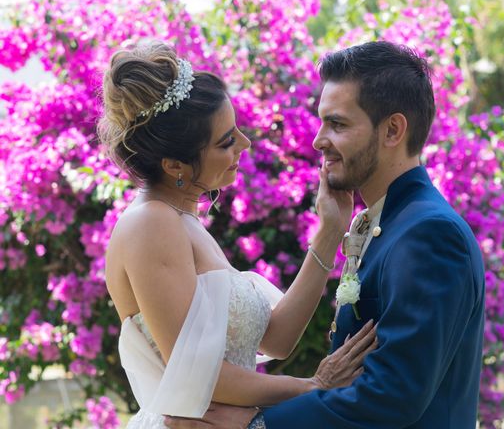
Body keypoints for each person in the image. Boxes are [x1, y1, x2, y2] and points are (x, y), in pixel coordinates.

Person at [166, 41, 486, 429]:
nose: (319, 140)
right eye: (322, 122)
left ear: (393, 130)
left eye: (337, 124)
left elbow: (393, 395)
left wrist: (256, 426)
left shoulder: (429, 234)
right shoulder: (387, 221)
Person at [99, 41, 377, 429]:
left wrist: (330, 229)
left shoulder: (183, 222)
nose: (245, 144)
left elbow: (276, 340)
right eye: (226, 141)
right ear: (175, 164)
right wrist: (310, 387)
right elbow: (199, 374)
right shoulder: (151, 224)